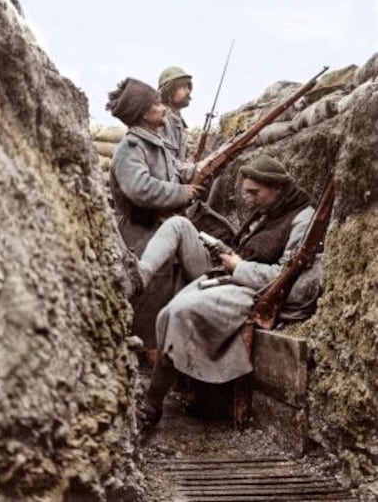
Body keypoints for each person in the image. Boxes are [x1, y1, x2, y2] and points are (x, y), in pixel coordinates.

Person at [135, 155, 323, 427]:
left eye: (254, 192)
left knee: (177, 311)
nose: (248, 199)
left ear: (277, 188)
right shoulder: (271, 210)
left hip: (255, 292)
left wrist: (239, 267)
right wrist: (228, 255)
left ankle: (153, 403)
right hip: (233, 275)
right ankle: (141, 274)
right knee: (178, 230)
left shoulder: (302, 219)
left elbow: (284, 278)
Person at [106, 77, 203, 351]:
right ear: (144, 113)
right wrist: (182, 192)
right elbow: (141, 188)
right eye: (157, 104)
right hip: (140, 238)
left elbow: (174, 172)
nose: (163, 108)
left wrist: (202, 169)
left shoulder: (154, 143)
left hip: (159, 234)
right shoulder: (130, 148)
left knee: (164, 306)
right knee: (146, 311)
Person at [157, 66, 192, 161]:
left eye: (188, 87)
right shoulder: (159, 120)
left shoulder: (180, 124)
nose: (188, 91)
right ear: (169, 91)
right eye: (184, 87)